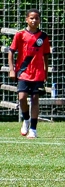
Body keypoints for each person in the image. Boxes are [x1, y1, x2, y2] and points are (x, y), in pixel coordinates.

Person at [8, 8, 51, 139]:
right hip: (23, 72)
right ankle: (26, 119)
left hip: (38, 73)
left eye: (36, 18)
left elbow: (46, 55)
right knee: (22, 98)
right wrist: (11, 69)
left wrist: (45, 71)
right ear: (27, 19)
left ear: (39, 20)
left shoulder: (43, 37)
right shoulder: (20, 35)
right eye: (31, 18)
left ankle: (33, 129)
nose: (34, 20)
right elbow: (11, 51)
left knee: (35, 99)